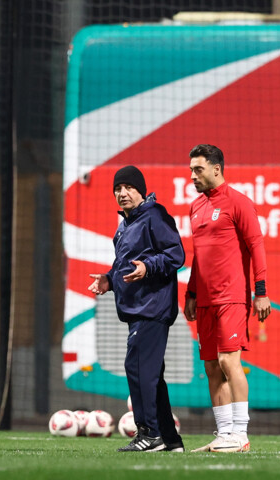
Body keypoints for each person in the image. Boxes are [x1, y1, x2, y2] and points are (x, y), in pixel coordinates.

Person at [87, 165, 186, 452]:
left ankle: (149, 433)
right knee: (151, 375)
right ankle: (169, 440)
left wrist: (148, 267)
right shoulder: (126, 224)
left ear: (141, 190)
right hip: (138, 309)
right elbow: (126, 266)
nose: (122, 193)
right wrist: (109, 279)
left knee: (138, 368)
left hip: (152, 308)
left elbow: (175, 254)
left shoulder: (155, 215)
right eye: (117, 189)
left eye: (128, 187)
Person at [184, 144, 271, 453]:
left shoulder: (240, 203)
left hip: (232, 297)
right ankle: (224, 435)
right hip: (205, 299)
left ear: (216, 169)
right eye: (191, 170)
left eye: (198, 169)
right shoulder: (195, 207)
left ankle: (241, 435)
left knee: (228, 360)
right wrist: (191, 292)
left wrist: (261, 292)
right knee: (210, 367)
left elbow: (257, 246)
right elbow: (198, 256)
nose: (192, 175)